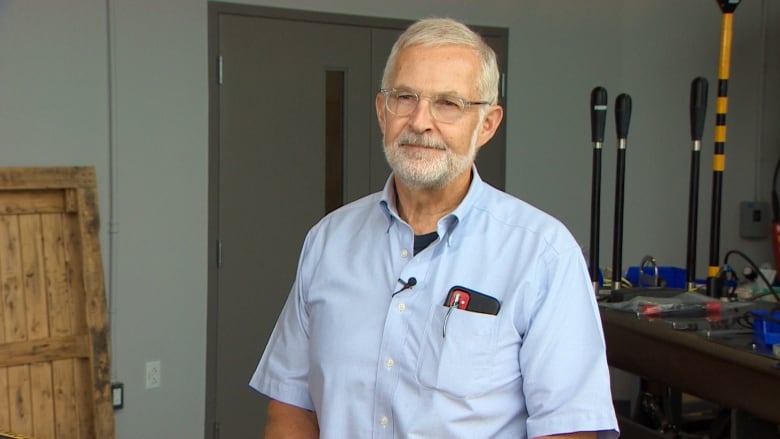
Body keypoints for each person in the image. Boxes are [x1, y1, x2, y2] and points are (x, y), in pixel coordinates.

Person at [250, 17, 619, 439]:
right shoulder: (328, 242)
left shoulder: (542, 256)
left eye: (448, 103)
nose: (420, 121)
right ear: (381, 110)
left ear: (489, 124)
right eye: (405, 97)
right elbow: (289, 408)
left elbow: (568, 430)